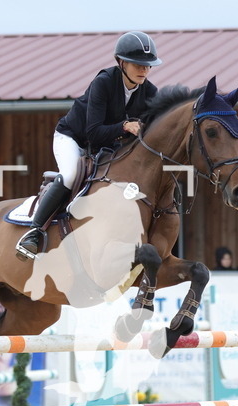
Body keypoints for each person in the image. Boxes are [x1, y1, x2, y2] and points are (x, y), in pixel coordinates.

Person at [16, 31, 162, 261]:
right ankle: (34, 232)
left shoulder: (150, 91)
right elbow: (93, 133)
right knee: (72, 174)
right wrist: (124, 126)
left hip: (107, 147)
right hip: (73, 138)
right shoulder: (103, 82)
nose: (144, 69)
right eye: (138, 64)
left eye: (148, 65)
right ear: (121, 62)